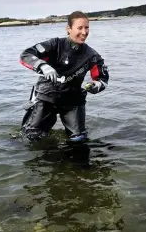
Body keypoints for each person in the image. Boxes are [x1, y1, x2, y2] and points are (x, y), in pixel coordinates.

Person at [19, 11, 109, 142]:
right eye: (80, 28)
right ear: (68, 29)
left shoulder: (92, 55)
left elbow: (102, 79)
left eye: (87, 27)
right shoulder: (54, 45)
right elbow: (26, 55)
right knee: (31, 137)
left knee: (79, 140)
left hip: (72, 101)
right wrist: (43, 66)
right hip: (46, 97)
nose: (84, 32)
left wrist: (96, 85)